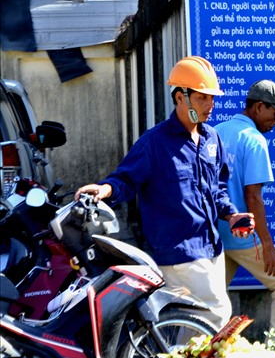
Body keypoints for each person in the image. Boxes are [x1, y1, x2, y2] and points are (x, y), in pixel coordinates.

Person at [76, 56, 254, 328]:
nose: (210, 105)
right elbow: (126, 179)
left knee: (192, 324)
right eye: (202, 98)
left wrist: (231, 216)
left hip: (212, 249)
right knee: (216, 313)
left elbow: (218, 188)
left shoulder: (211, 139)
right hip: (179, 251)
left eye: (212, 98)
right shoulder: (154, 143)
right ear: (180, 97)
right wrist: (105, 189)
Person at [215, 80, 275, 352]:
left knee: (206, 303)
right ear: (258, 107)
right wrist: (268, 246)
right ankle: (272, 354)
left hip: (214, 237)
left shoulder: (215, 132)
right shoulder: (254, 140)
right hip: (242, 237)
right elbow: (253, 196)